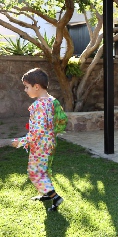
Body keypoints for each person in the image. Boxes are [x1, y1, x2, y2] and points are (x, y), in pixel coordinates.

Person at [11, 68, 64, 211]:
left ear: (36, 86)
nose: (25, 90)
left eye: (26, 87)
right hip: (49, 142)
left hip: (40, 145)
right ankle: (47, 194)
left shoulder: (38, 105)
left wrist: (21, 141)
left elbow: (37, 131)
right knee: (43, 170)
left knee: (35, 172)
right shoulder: (51, 101)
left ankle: (55, 197)